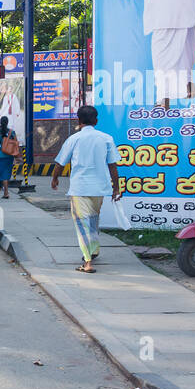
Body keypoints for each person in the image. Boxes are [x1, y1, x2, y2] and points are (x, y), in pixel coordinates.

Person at [52, 105, 122, 274]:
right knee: (93, 220)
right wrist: (116, 188)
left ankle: (88, 262)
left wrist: (55, 178)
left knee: (82, 225)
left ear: (78, 121)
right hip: (100, 188)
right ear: (96, 121)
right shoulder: (106, 138)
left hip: (80, 188)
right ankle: (94, 249)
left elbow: (60, 163)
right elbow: (113, 165)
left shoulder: (74, 139)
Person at [0, 115, 17, 199]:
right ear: (7, 122)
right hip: (9, 155)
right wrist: (15, 155)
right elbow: (15, 143)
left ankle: (6, 192)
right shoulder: (12, 132)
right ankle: (6, 191)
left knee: (2, 173)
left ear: (0, 122)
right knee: (7, 173)